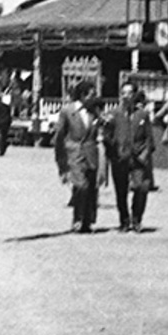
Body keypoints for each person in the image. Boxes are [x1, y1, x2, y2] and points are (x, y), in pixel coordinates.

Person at [103, 83, 154, 232]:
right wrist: (112, 149)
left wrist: (144, 155)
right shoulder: (113, 114)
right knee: (121, 191)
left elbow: (149, 138)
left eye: (129, 93)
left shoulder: (142, 115)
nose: (126, 96)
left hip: (137, 158)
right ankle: (124, 220)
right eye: (123, 93)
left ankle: (137, 218)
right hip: (120, 158)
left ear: (134, 96)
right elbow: (107, 136)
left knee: (141, 187)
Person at [54, 79, 102, 233]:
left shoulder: (94, 112)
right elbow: (59, 136)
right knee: (81, 186)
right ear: (82, 95)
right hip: (74, 153)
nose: (94, 98)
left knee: (91, 189)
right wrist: (61, 161)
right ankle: (77, 219)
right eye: (91, 95)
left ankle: (87, 221)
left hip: (91, 153)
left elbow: (98, 132)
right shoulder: (67, 111)